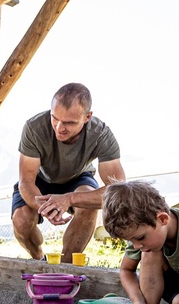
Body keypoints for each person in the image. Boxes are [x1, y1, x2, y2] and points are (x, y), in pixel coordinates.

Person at [12, 82, 125, 260]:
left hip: (78, 177)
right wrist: (46, 208)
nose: (59, 128)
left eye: (69, 123)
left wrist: (69, 199)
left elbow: (117, 190)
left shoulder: (101, 134)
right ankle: (39, 260)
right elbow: (26, 181)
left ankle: (65, 268)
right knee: (21, 221)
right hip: (40, 178)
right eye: (55, 118)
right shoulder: (34, 127)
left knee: (88, 208)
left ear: (87, 117)